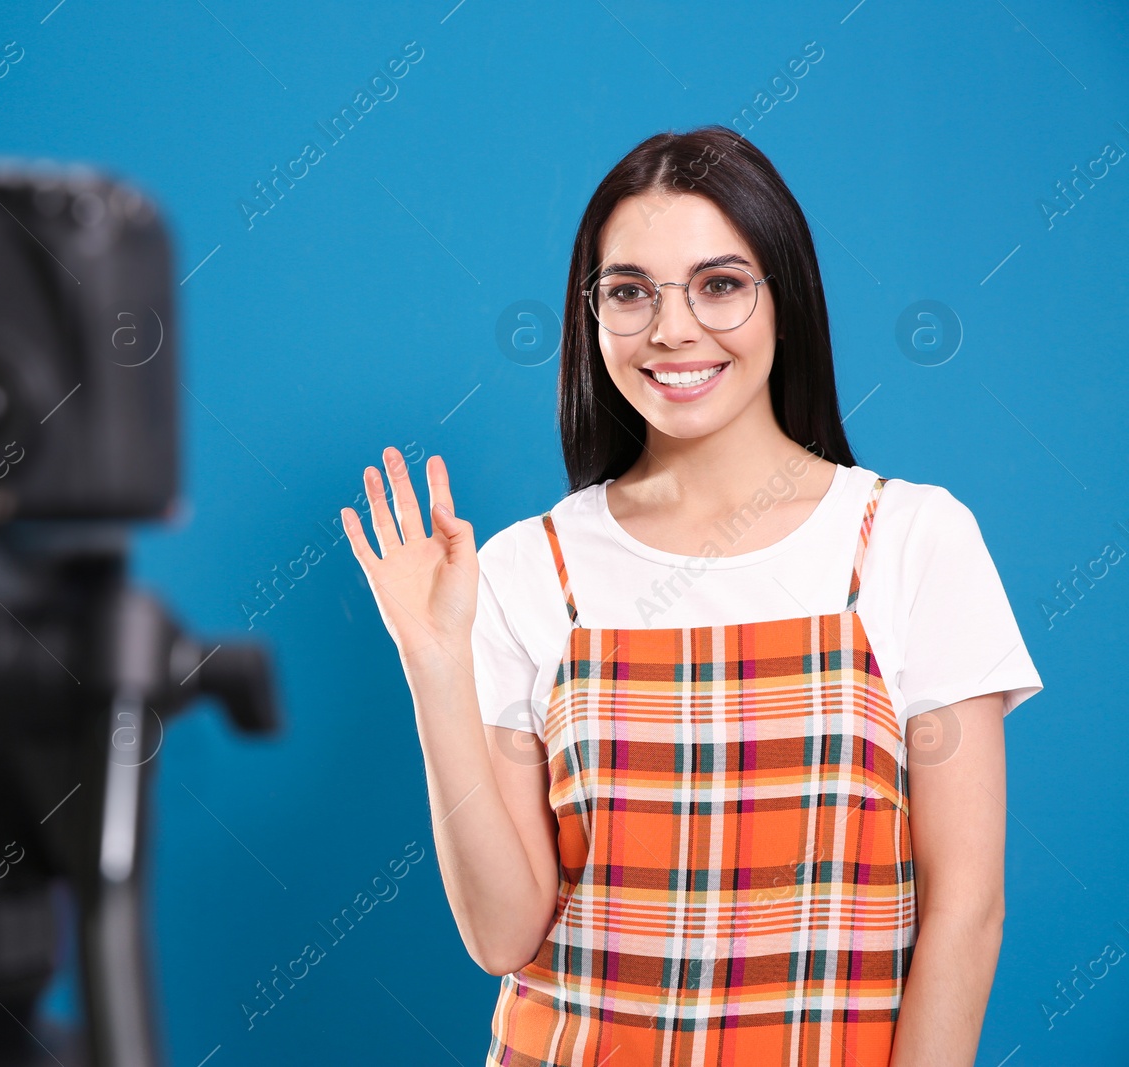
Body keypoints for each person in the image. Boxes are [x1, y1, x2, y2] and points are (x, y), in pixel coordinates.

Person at [341, 126, 1041, 1067]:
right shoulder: (521, 570)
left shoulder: (914, 540)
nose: (671, 329)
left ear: (783, 301)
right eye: (630, 292)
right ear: (590, 319)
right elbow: (503, 936)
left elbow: (968, 910)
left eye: (719, 284)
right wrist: (434, 669)